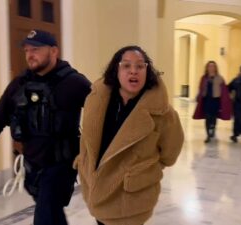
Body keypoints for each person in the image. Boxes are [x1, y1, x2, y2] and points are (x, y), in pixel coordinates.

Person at [0, 29, 91, 225]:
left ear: (53, 51)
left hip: (61, 166)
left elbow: (100, 113)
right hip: (33, 165)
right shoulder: (20, 83)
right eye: (26, 50)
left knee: (44, 217)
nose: (29, 55)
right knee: (52, 215)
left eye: (35, 49)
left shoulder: (73, 82)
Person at [73, 45, 184, 225]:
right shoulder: (96, 100)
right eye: (126, 66)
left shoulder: (163, 114)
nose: (134, 71)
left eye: (140, 66)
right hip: (96, 190)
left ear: (147, 72)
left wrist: (144, 170)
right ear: (116, 70)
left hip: (130, 199)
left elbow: (169, 155)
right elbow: (89, 141)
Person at [193, 61, 232, 143]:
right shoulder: (204, 78)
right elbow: (200, 88)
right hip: (206, 100)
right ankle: (208, 135)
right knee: (207, 117)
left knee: (213, 117)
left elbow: (224, 90)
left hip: (215, 101)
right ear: (207, 68)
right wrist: (199, 96)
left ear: (215, 68)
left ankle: (213, 128)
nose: (211, 68)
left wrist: (226, 100)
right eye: (209, 66)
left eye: (213, 66)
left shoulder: (219, 78)